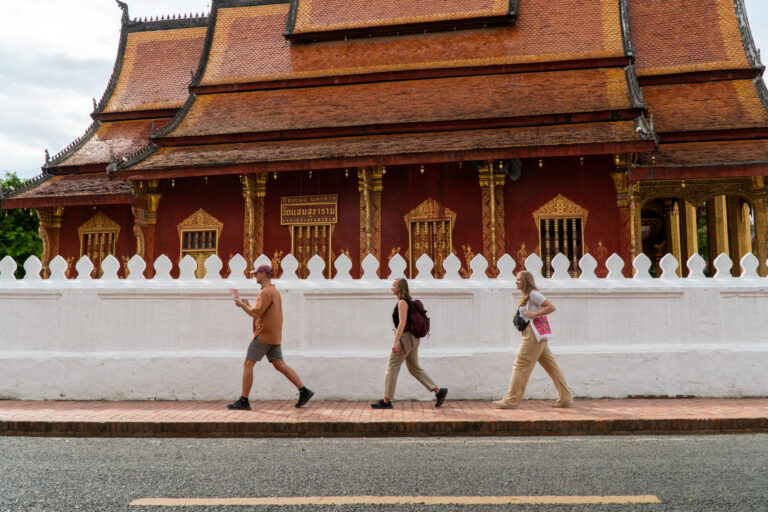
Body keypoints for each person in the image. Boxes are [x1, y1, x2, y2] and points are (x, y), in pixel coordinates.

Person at [227, 264, 314, 410]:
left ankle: (244, 400)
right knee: (280, 365)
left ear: (263, 274)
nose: (255, 276)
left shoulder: (266, 292)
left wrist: (242, 305)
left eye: (256, 274)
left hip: (263, 335)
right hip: (274, 335)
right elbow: (259, 310)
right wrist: (247, 305)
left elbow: (256, 313)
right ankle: (304, 390)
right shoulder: (273, 291)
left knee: (248, 364)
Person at [493, 270, 573, 409]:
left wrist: (533, 314)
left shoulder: (533, 294)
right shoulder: (526, 295)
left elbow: (551, 307)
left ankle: (511, 400)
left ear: (526, 281)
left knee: (520, 365)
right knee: (552, 367)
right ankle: (565, 397)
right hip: (537, 335)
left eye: (518, 280)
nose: (516, 282)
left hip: (533, 335)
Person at [371, 277, 447, 409]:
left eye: (394, 285)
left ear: (400, 288)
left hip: (405, 339)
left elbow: (402, 323)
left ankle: (386, 401)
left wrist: (395, 342)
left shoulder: (402, 302)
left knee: (392, 365)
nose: (391, 287)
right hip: (413, 340)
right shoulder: (408, 301)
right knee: (414, 368)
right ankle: (439, 391)